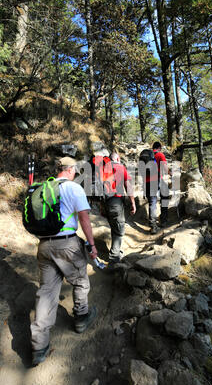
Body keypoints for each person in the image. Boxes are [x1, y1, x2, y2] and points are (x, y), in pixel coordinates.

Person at [30, 156, 98, 367]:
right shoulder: (73, 188)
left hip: (44, 246)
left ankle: (38, 345)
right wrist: (92, 245)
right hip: (67, 244)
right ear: (70, 170)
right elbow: (84, 218)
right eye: (75, 170)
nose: (76, 174)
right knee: (79, 281)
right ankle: (81, 318)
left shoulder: (44, 188)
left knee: (47, 292)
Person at [104, 152, 136, 267]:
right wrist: (133, 202)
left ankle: (116, 252)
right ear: (117, 158)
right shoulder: (120, 167)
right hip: (116, 201)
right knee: (120, 229)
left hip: (106, 202)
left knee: (114, 227)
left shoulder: (104, 168)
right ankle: (114, 258)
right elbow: (128, 185)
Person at [145, 141, 171, 234]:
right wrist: (170, 173)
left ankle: (153, 226)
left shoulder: (146, 155)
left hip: (146, 182)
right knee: (165, 196)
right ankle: (163, 220)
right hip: (156, 180)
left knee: (152, 202)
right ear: (159, 147)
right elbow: (165, 168)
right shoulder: (160, 155)